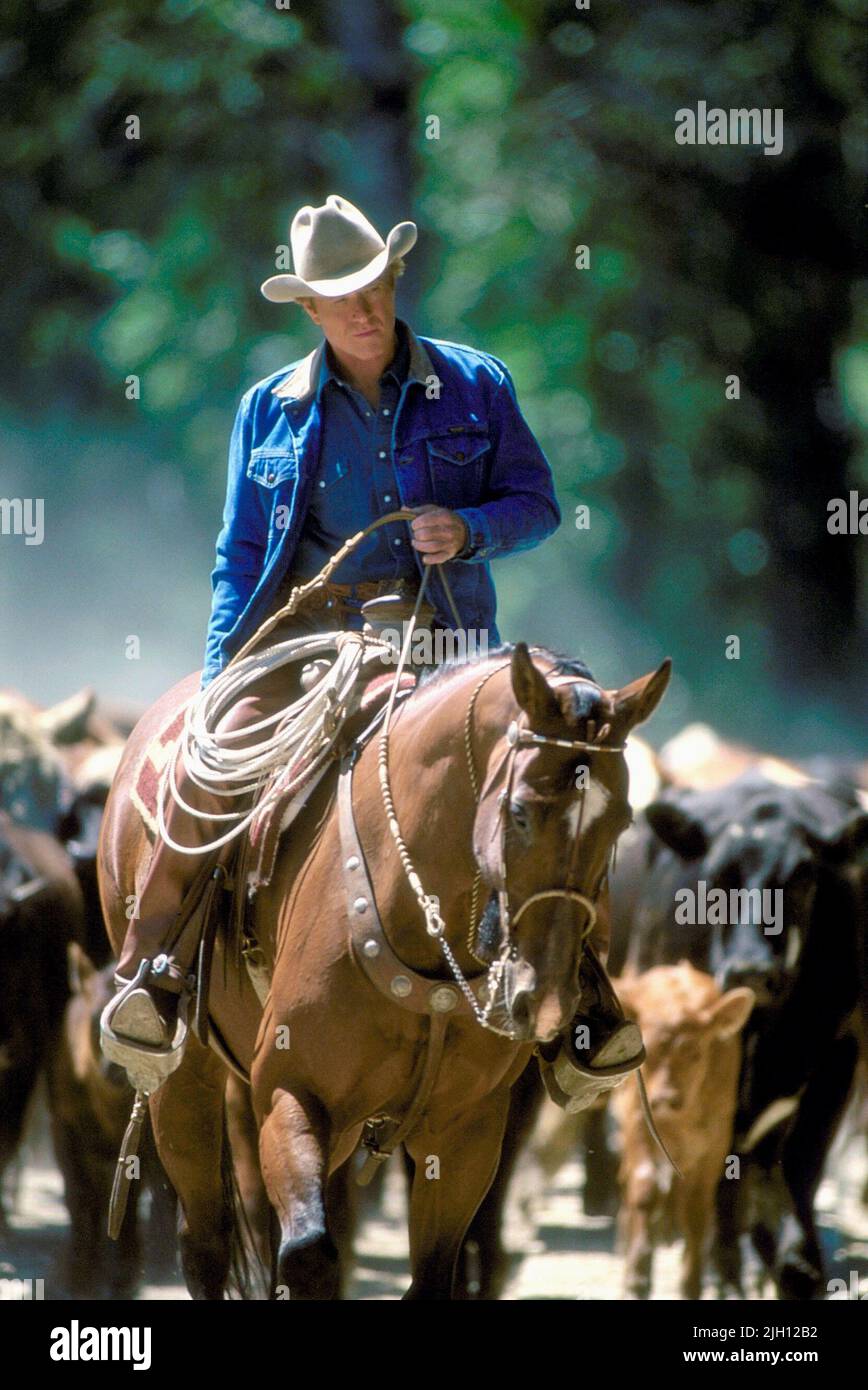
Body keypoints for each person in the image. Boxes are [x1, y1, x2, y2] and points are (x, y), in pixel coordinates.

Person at [102, 195, 639, 1101]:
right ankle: (152, 974)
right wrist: (222, 676)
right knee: (206, 769)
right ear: (307, 308)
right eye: (340, 295)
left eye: (374, 285)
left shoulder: (477, 384)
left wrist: (468, 530)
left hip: (455, 648)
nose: (363, 308)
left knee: (562, 781)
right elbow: (239, 556)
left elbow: (537, 505)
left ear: (395, 280)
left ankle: (582, 1009)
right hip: (312, 646)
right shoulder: (268, 410)